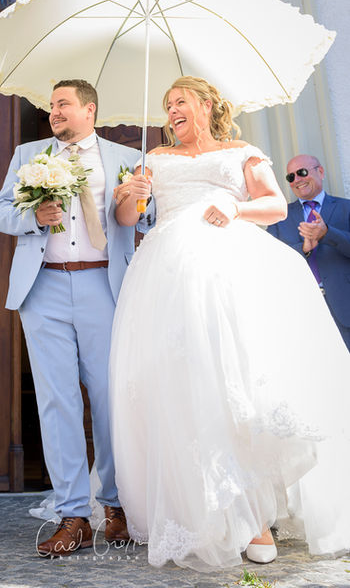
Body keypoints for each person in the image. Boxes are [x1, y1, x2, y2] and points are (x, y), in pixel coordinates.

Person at [109, 76, 350, 571]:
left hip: (232, 268)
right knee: (183, 384)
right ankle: (202, 513)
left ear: (208, 104)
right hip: (168, 276)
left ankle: (257, 515)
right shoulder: (153, 160)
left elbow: (275, 205)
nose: (172, 111)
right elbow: (130, 218)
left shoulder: (242, 150)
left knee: (238, 377)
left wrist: (235, 207)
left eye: (181, 102)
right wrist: (130, 194)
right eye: (167, 105)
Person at [0, 79, 152, 557]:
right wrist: (34, 217)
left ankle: (115, 506)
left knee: (110, 398)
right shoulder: (28, 154)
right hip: (41, 286)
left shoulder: (126, 158)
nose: (54, 112)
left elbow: (144, 221)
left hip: (103, 287)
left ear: (90, 109)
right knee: (55, 400)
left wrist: (142, 197)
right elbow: (4, 210)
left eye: (63, 104)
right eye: (51, 106)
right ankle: (72, 515)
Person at [267, 154, 350, 352]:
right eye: (291, 177)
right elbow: (270, 262)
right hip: (302, 311)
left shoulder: (346, 208)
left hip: (345, 307)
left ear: (320, 172)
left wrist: (328, 233)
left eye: (302, 172)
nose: (297, 180)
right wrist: (303, 249)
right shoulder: (280, 217)